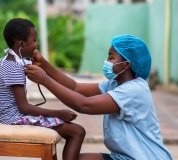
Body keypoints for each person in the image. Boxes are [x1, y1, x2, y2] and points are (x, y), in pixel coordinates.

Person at [25, 34, 173, 160]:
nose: (107, 61)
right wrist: (44, 64)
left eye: (111, 57)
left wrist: (45, 80)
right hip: (122, 156)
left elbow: (84, 105)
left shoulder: (134, 90)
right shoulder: (115, 83)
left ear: (126, 65)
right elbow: (75, 87)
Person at [0, 18, 85, 160]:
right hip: (11, 119)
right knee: (77, 132)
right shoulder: (14, 68)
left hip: (8, 116)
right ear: (21, 44)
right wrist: (59, 113)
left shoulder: (6, 61)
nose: (37, 44)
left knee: (75, 131)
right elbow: (24, 108)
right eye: (34, 40)